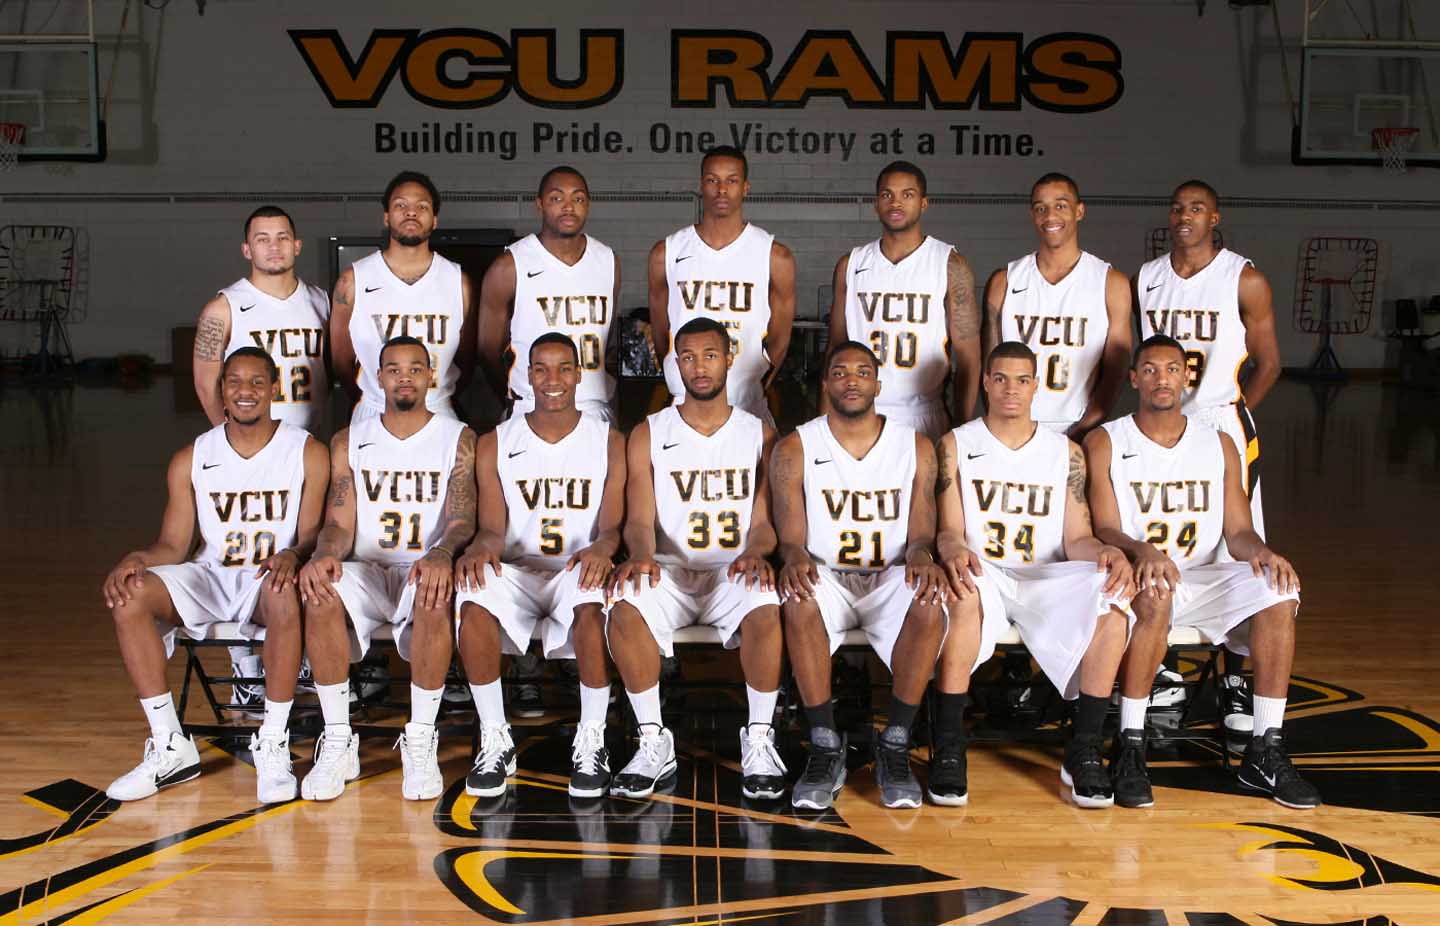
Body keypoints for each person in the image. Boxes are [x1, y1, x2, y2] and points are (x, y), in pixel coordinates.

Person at [1085, 334, 1318, 810]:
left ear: (1186, 377)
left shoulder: (1220, 444)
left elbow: (1238, 530)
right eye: (1149, 369)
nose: (1161, 378)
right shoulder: (1106, 440)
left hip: (1201, 577)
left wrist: (1264, 551)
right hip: (1140, 575)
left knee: (1276, 593)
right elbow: (1105, 525)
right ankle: (1131, 745)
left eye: (1171, 369)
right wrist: (1141, 549)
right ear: (1134, 379)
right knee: (1156, 592)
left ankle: (1265, 748)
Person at [103, 348, 328, 803]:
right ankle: (171, 745)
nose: (245, 391)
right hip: (212, 574)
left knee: (284, 592)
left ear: (274, 390)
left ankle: (273, 740)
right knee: (130, 596)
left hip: (270, 576)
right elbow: (173, 544)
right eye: (234, 382)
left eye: (256, 382)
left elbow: (312, 534)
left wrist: (294, 554)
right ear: (221, 390)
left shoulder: (307, 451)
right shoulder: (191, 458)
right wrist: (139, 559)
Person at [932, 341, 1134, 808]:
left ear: (1036, 386)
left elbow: (1078, 537)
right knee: (962, 594)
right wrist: (951, 549)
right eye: (1000, 378)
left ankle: (1083, 749)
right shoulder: (956, 444)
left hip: (1045, 575)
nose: (1010, 389)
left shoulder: (1066, 451)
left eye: (1022, 380)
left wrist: (1104, 553)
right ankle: (948, 746)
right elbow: (950, 530)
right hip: (987, 571)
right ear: (984, 381)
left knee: (1113, 604)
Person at [606, 318, 786, 801]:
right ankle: (652, 741)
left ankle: (760, 738)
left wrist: (755, 551)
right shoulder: (647, 433)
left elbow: (766, 524)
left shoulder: (761, 434)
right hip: (669, 567)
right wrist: (641, 555)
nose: (698, 367)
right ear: (674, 363)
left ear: (729, 358)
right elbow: (639, 520)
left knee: (767, 604)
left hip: (732, 569)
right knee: (624, 605)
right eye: (687, 357)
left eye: (709, 355)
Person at [297, 336, 477, 802]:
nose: (404, 377)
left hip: (424, 566)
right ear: (378, 378)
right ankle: (339, 738)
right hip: (370, 568)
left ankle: (420, 737)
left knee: (434, 589)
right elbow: (338, 522)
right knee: (319, 590)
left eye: (415, 369)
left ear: (430, 378)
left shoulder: (457, 438)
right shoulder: (350, 439)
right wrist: (324, 553)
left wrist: (442, 552)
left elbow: (462, 521)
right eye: (393, 369)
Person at [772, 341, 949, 811]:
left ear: (877, 383)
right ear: (825, 382)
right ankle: (825, 745)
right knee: (798, 596)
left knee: (931, 599)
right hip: (827, 574)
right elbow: (791, 537)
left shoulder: (915, 444)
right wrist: (792, 556)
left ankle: (894, 742)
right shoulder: (795, 445)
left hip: (888, 575)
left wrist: (921, 554)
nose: (851, 380)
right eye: (840, 372)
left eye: (862, 372)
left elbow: (921, 531)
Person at [1136, 179, 1283, 734]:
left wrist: (1235, 411)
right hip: (1161, 421)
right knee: (1162, 530)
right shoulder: (1147, 278)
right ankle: (1166, 668)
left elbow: (1269, 362)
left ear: (1215, 217)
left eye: (1196, 208)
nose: (1184, 216)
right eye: (1176, 208)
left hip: (1219, 418)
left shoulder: (1243, 278)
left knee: (1236, 543)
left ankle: (1238, 675)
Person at [454, 333, 626, 799]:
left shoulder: (609, 440)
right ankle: (496, 737)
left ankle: (592, 740)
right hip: (520, 571)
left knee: (590, 603)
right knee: (472, 597)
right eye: (541, 369)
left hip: (577, 566)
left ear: (578, 373)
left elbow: (612, 528)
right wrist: (479, 548)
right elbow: (492, 528)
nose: (552, 380)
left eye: (563, 368)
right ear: (527, 375)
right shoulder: (496, 442)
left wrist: (602, 548)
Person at [827, 160, 980, 438]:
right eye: (887, 195)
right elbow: (835, 349)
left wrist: (964, 429)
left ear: (923, 203)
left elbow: (968, 355)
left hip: (923, 412)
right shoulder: (851, 264)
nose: (895, 203)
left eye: (907, 195)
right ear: (876, 203)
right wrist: (827, 416)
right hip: (859, 410)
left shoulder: (949, 264)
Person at [648, 146, 796, 425]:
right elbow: (661, 332)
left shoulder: (774, 256)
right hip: (684, 401)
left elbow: (781, 338)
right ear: (701, 185)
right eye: (712, 180)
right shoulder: (665, 253)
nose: (721, 189)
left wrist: (756, 381)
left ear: (745, 187)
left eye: (731, 180)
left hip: (747, 402)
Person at [988, 173, 1131, 437]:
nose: (1050, 215)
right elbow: (989, 368)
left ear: (1079, 211)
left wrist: (1086, 429)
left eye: (1061, 206)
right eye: (1041, 208)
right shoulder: (1004, 282)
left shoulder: (1111, 283)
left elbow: (1116, 372)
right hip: (1013, 429)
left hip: (1080, 427)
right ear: (1032, 215)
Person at [477, 166, 620, 423]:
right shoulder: (510, 265)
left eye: (577, 199)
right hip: (531, 406)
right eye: (557, 198)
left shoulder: (608, 261)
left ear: (587, 205)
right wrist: (516, 394)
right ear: (540, 205)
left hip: (594, 409)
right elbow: (487, 350)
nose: (568, 207)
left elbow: (605, 341)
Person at [331, 171, 476, 422]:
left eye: (422, 206)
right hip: (374, 411)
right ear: (387, 217)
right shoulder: (353, 280)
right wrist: (374, 394)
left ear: (435, 220)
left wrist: (437, 394)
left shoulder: (457, 281)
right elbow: (340, 361)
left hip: (438, 411)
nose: (411, 212)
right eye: (401, 205)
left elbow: (467, 358)